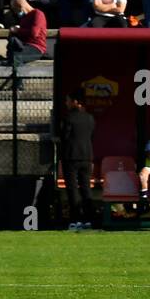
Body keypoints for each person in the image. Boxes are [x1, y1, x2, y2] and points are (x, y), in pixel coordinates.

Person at [61, 95, 96, 229]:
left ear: (76, 101)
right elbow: (92, 135)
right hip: (87, 157)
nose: (66, 103)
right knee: (86, 188)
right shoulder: (90, 118)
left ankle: (76, 220)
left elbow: (65, 136)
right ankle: (89, 219)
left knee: (72, 189)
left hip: (71, 156)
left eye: (68, 100)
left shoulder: (68, 117)